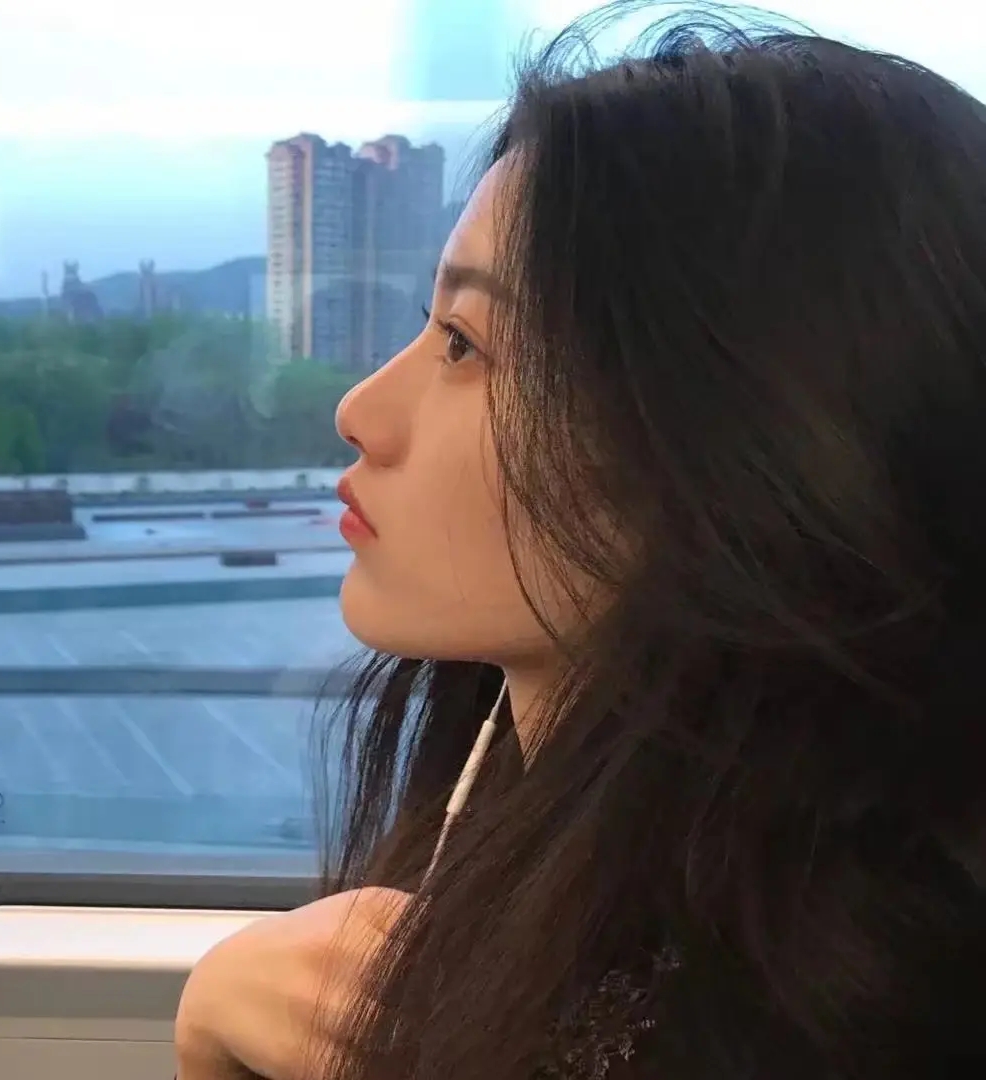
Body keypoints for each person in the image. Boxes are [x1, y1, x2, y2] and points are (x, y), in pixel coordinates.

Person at [175, 2, 986, 1078]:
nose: (361, 410)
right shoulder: (539, 836)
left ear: (733, 450)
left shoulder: (812, 1018)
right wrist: (212, 1025)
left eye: (464, 344)